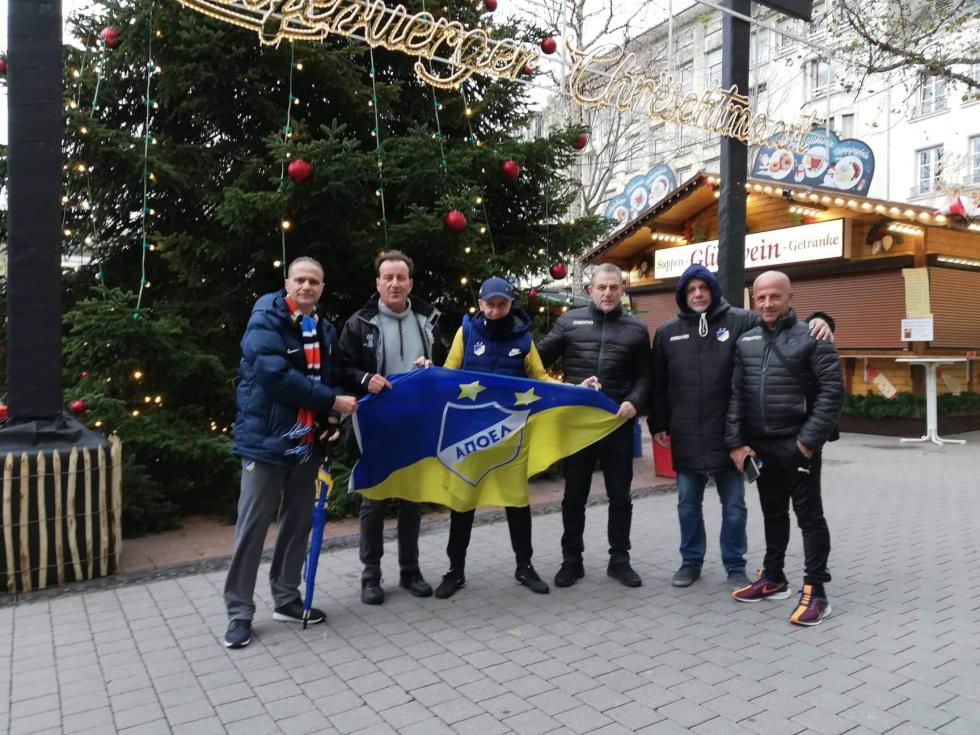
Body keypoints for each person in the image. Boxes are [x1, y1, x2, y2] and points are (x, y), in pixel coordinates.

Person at [649, 264, 834, 591]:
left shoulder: (741, 321)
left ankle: (735, 564)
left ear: (713, 290)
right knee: (687, 504)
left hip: (730, 437)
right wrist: (659, 423)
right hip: (687, 434)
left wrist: (821, 320)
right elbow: (659, 385)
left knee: (734, 505)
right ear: (682, 295)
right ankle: (690, 562)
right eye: (691, 290)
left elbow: (779, 323)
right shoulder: (667, 332)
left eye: (703, 288)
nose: (698, 294)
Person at [223, 257, 358, 649]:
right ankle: (239, 612)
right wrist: (331, 401)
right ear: (287, 283)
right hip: (266, 441)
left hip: (306, 441)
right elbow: (277, 378)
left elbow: (330, 376)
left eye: (314, 281)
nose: (306, 287)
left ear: (322, 287)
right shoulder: (265, 320)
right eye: (300, 280)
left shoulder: (324, 328)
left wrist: (331, 418)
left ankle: (286, 598)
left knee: (298, 522)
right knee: (252, 526)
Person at [436, 277, 570, 599]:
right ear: (480, 304)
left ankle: (524, 566)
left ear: (510, 304)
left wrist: (576, 390)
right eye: (490, 304)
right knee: (463, 503)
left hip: (510, 433)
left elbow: (541, 378)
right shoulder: (466, 333)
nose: (495, 311)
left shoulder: (524, 339)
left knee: (517, 502)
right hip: (471, 434)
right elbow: (448, 373)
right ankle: (455, 570)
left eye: (502, 304)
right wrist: (426, 373)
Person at [726, 270, 843, 626]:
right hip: (760, 447)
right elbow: (737, 396)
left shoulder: (813, 336)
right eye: (760, 297)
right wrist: (736, 443)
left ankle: (817, 592)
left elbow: (832, 393)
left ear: (790, 297)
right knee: (773, 513)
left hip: (798, 445)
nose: (767, 303)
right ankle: (774, 578)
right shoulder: (746, 340)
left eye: (774, 296)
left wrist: (807, 442)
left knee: (810, 518)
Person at [338, 250, 444, 605]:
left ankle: (410, 571)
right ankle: (371, 575)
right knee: (374, 500)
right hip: (376, 424)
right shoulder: (359, 323)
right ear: (378, 283)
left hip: (416, 422)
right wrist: (365, 379)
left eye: (401, 278)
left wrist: (432, 365)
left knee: (412, 500)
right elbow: (341, 368)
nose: (395, 283)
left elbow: (446, 365)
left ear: (410, 283)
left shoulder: (428, 320)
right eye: (388, 278)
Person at [537, 263, 651, 588]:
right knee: (574, 497)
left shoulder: (636, 330)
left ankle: (620, 561)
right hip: (578, 427)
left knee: (620, 497)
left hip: (617, 424)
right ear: (590, 290)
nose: (608, 293)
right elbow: (536, 362)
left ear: (622, 290)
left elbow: (646, 376)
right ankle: (571, 561)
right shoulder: (569, 322)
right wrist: (565, 391)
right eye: (602, 287)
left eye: (614, 287)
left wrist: (635, 402)